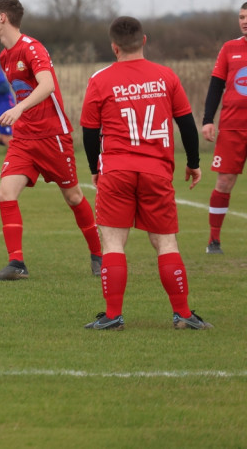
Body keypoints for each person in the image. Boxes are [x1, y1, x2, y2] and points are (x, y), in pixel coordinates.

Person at [80, 16, 211, 330]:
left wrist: (94, 168)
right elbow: (187, 125)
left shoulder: (100, 79)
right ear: (144, 40)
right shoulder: (166, 76)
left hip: (117, 171)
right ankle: (183, 315)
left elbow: (88, 132)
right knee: (166, 243)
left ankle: (113, 317)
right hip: (157, 171)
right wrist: (193, 163)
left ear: (114, 47)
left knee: (113, 242)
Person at [0, 0, 102, 280]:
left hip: (53, 136)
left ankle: (100, 254)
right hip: (24, 138)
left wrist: (18, 108)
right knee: (5, 193)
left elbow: (47, 84)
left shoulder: (32, 48)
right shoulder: (3, 56)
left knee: (73, 197)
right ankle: (16, 264)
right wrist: (18, 112)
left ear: (3, 18)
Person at [200, 2, 247, 254]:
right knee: (225, 181)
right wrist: (208, 119)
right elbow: (216, 86)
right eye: (241, 17)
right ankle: (214, 240)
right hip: (232, 127)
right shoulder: (230, 48)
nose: (244, 21)